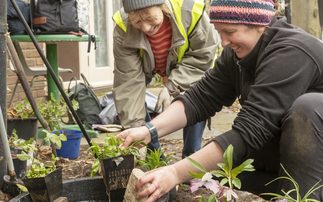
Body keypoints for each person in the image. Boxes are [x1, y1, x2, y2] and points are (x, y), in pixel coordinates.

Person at [117, 0, 323, 201]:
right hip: (298, 154)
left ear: (259, 24)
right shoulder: (237, 54)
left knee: (308, 108)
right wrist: (148, 130)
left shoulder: (290, 50)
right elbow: (200, 98)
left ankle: (302, 197)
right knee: (211, 170)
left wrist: (174, 173)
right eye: (219, 33)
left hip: (316, 147)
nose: (223, 42)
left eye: (230, 33)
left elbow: (251, 129)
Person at [112, 0, 220, 158]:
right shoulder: (124, 26)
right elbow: (129, 82)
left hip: (189, 68)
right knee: (133, 105)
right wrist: (135, 131)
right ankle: (155, 159)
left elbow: (201, 58)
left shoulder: (191, 12)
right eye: (137, 21)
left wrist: (172, 86)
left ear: (162, 6)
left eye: (150, 18)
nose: (146, 28)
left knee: (196, 94)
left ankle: (192, 158)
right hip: (154, 65)